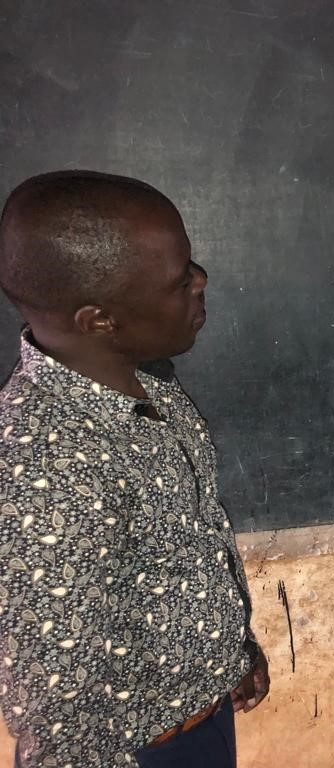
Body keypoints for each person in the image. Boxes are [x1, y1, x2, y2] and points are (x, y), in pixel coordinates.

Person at [0, 171, 270, 768]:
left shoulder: (148, 385)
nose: (200, 281)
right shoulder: (41, 468)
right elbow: (58, 708)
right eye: (179, 280)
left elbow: (190, 540)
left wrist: (231, 651)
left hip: (198, 717)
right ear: (100, 320)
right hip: (133, 753)